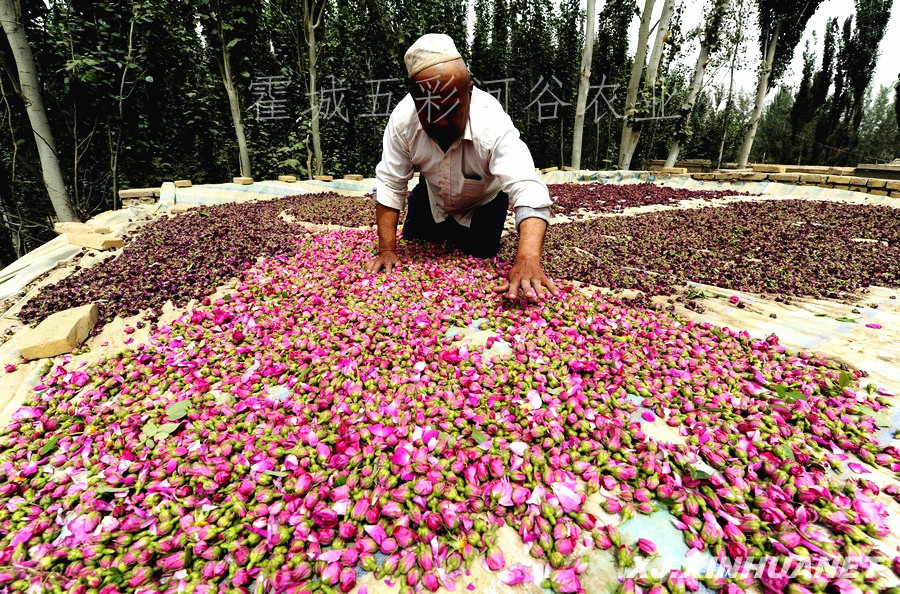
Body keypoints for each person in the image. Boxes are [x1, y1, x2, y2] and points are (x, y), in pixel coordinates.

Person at [365, 33, 558, 300]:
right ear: (414, 98)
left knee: (481, 250)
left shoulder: (491, 123)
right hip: (432, 195)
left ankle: (466, 231)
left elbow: (527, 186)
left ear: (469, 90)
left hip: (483, 201)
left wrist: (527, 259)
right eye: (430, 110)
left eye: (451, 108)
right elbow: (390, 182)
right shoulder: (402, 121)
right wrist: (386, 250)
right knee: (417, 242)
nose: (441, 122)